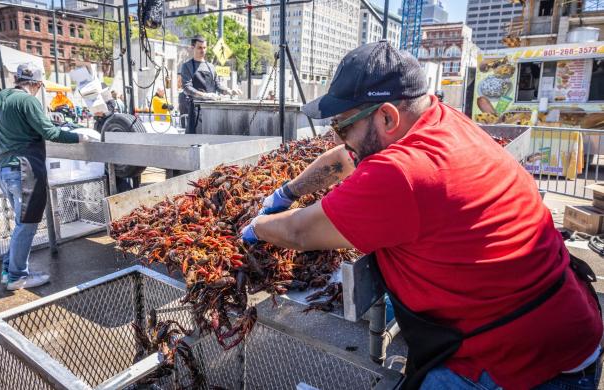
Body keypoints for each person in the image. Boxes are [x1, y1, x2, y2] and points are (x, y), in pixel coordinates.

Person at [240, 42, 602, 389]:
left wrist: (255, 226)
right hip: (566, 321)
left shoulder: (402, 173)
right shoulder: (443, 121)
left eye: (342, 125)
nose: (340, 135)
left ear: (387, 115)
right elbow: (345, 158)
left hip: (526, 365)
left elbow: (301, 232)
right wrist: (285, 193)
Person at [0, 63, 93, 291]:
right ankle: (17, 277)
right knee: (27, 224)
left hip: (5, 169)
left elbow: (23, 125)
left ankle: (8, 270)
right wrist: (80, 137)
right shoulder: (28, 100)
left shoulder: (3, 96)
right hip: (23, 170)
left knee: (21, 224)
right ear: (37, 84)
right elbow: (49, 132)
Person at [179, 35, 240, 133]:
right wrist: (205, 95)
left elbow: (217, 84)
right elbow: (187, 87)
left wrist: (228, 91)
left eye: (204, 48)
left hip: (212, 109)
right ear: (192, 48)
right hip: (196, 110)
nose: (202, 50)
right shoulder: (187, 66)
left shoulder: (211, 66)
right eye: (199, 48)